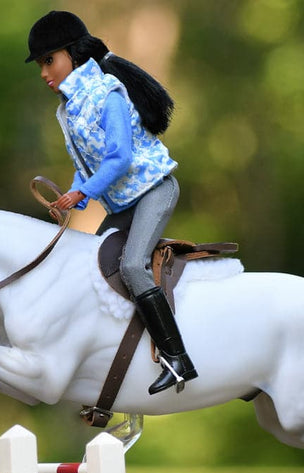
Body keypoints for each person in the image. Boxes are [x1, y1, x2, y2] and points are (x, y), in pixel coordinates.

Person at [25, 10, 197, 395]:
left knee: (133, 266)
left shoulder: (107, 94)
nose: (44, 73)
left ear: (72, 54)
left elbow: (119, 158)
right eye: (40, 65)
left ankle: (177, 358)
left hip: (153, 191)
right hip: (122, 204)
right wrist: (72, 198)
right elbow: (85, 166)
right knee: (89, 266)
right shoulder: (69, 108)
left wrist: (83, 192)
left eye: (49, 60)